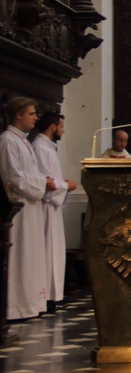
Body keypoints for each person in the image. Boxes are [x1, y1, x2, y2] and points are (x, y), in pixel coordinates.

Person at [0, 97, 56, 320]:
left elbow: (27, 174)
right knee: (21, 255)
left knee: (31, 255)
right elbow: (12, 176)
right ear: (18, 115)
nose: (35, 118)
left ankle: (31, 303)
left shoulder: (22, 140)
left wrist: (43, 181)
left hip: (30, 205)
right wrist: (42, 183)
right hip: (18, 209)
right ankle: (17, 307)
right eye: (31, 114)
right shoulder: (7, 141)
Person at [33, 112, 77, 311]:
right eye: (61, 126)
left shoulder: (48, 147)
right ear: (52, 127)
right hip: (46, 208)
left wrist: (62, 184)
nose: (63, 130)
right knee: (49, 252)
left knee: (55, 252)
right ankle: (48, 297)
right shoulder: (40, 147)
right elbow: (46, 181)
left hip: (53, 207)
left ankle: (53, 295)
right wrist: (64, 186)